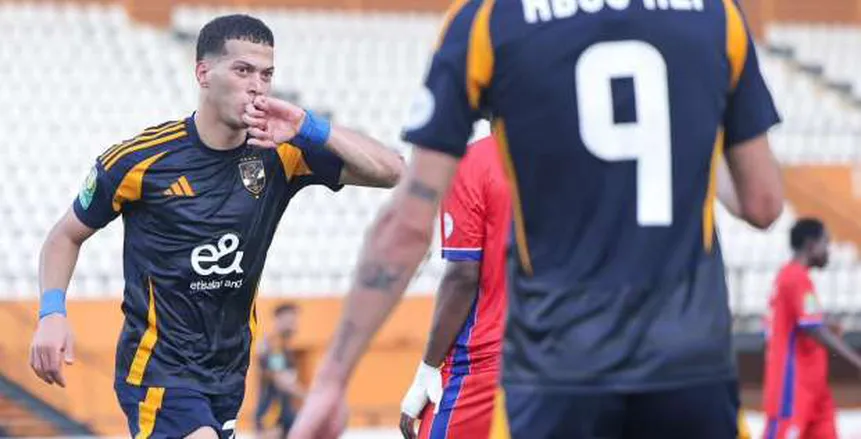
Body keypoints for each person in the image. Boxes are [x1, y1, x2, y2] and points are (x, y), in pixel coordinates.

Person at [261, 0, 786, 437]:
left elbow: (407, 225)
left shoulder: (489, 21)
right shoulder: (717, 16)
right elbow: (763, 205)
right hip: (688, 363)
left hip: (558, 369)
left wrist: (332, 379)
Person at [28, 14, 404, 439]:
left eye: (266, 74)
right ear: (203, 73)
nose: (257, 86)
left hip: (228, 373)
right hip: (158, 370)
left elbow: (394, 172)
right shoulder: (139, 161)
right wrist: (52, 312)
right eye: (243, 70)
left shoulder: (280, 152)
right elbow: (65, 236)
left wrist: (308, 126)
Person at [398, 135, 510, 439]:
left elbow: (463, 275)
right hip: (575, 354)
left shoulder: (475, 160)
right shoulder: (578, 154)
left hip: (486, 364)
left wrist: (427, 368)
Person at [762, 218, 861, 439]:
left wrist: (825, 322)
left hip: (815, 390)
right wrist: (857, 361)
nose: (828, 250)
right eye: (826, 242)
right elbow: (813, 328)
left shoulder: (794, 277)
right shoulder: (794, 278)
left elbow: (804, 321)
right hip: (792, 390)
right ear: (810, 244)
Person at [256, 303, 305, 439]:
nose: (294, 324)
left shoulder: (285, 347)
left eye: (295, 320)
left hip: (285, 412)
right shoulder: (275, 345)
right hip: (272, 415)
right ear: (278, 320)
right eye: (290, 320)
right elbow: (281, 380)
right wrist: (311, 398)